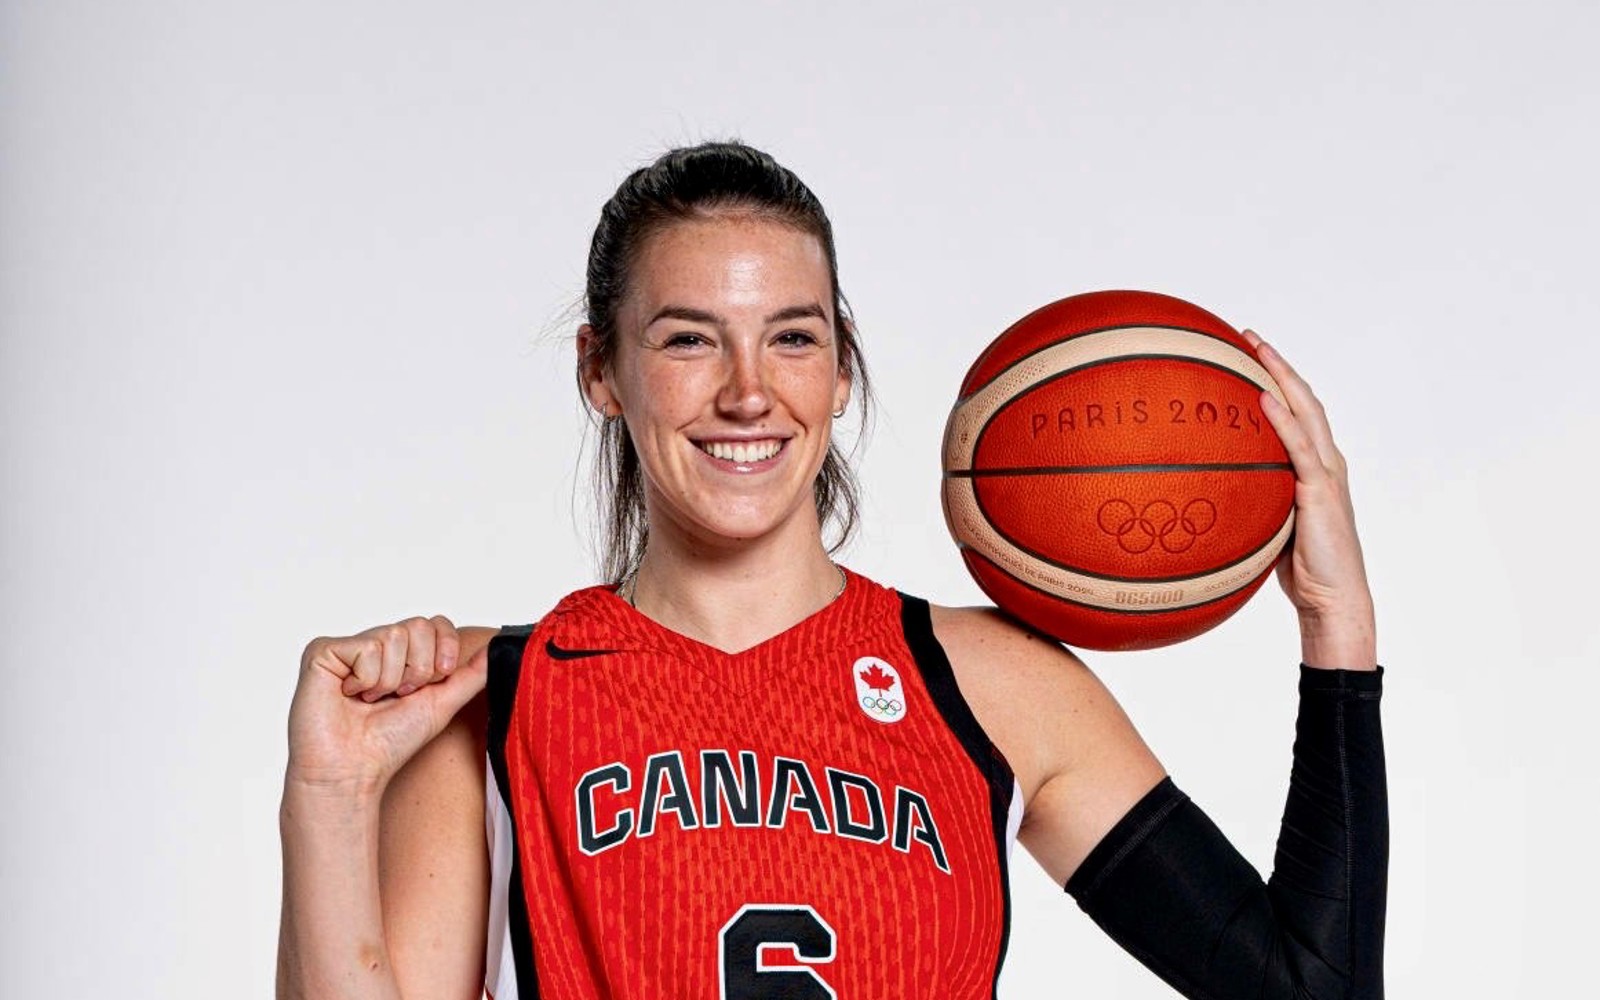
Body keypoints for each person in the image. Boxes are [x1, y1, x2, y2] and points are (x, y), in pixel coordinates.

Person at [278, 142, 1386, 1000]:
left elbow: (1308, 987)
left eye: (794, 338)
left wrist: (1335, 625)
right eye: (687, 339)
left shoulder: (990, 687)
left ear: (844, 368)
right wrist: (330, 798)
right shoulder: (492, 698)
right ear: (600, 370)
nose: (749, 393)